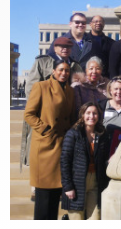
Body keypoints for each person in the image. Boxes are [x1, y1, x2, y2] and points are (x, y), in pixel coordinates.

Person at [21, 37, 82, 189]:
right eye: (61, 46)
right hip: (45, 115)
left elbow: (79, 86)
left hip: (65, 117)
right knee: (39, 155)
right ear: (54, 48)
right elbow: (31, 87)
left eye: (68, 47)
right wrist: (42, 108)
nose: (64, 49)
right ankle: (36, 186)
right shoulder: (42, 62)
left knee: (60, 157)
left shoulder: (76, 65)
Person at [24, 60, 75, 220]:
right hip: (45, 148)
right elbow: (29, 114)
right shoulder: (41, 86)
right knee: (43, 200)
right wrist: (45, 129)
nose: (64, 73)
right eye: (60, 70)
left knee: (54, 198)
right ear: (53, 71)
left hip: (61, 145)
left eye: (67, 70)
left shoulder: (70, 91)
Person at [60, 102, 110, 220]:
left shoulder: (102, 134)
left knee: (95, 218)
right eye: (88, 113)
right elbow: (65, 161)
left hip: (95, 183)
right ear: (82, 115)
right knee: (77, 218)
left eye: (95, 113)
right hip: (77, 183)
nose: (91, 116)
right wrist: (67, 186)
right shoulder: (73, 134)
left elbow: (105, 159)